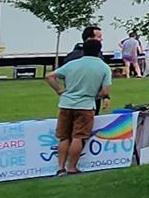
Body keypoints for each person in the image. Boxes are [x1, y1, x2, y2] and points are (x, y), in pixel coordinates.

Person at [45, 41, 113, 175]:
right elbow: (104, 92)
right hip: (86, 105)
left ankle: (60, 167)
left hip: (66, 104)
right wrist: (95, 95)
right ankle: (71, 167)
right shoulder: (104, 67)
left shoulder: (72, 64)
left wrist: (59, 90)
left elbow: (49, 76)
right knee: (78, 137)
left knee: (64, 137)